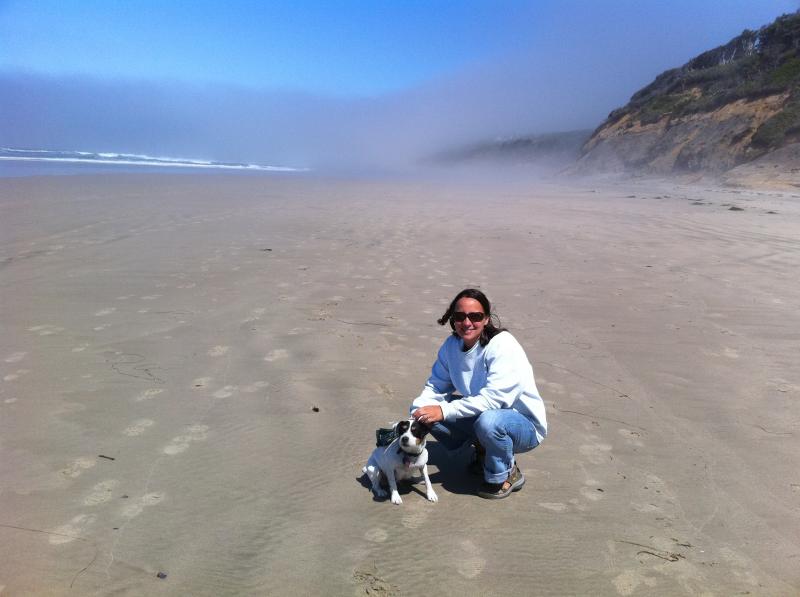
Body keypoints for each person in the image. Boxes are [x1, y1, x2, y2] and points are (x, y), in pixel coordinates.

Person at [410, 288, 547, 499]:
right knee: (423, 411)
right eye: (459, 316)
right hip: (484, 414)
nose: (467, 323)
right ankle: (483, 450)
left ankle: (506, 473)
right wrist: (418, 412)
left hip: (524, 426)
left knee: (488, 422)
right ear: (452, 319)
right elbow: (436, 387)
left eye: (475, 316)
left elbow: (494, 399)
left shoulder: (502, 345)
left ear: (486, 319)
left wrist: (444, 411)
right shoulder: (451, 346)